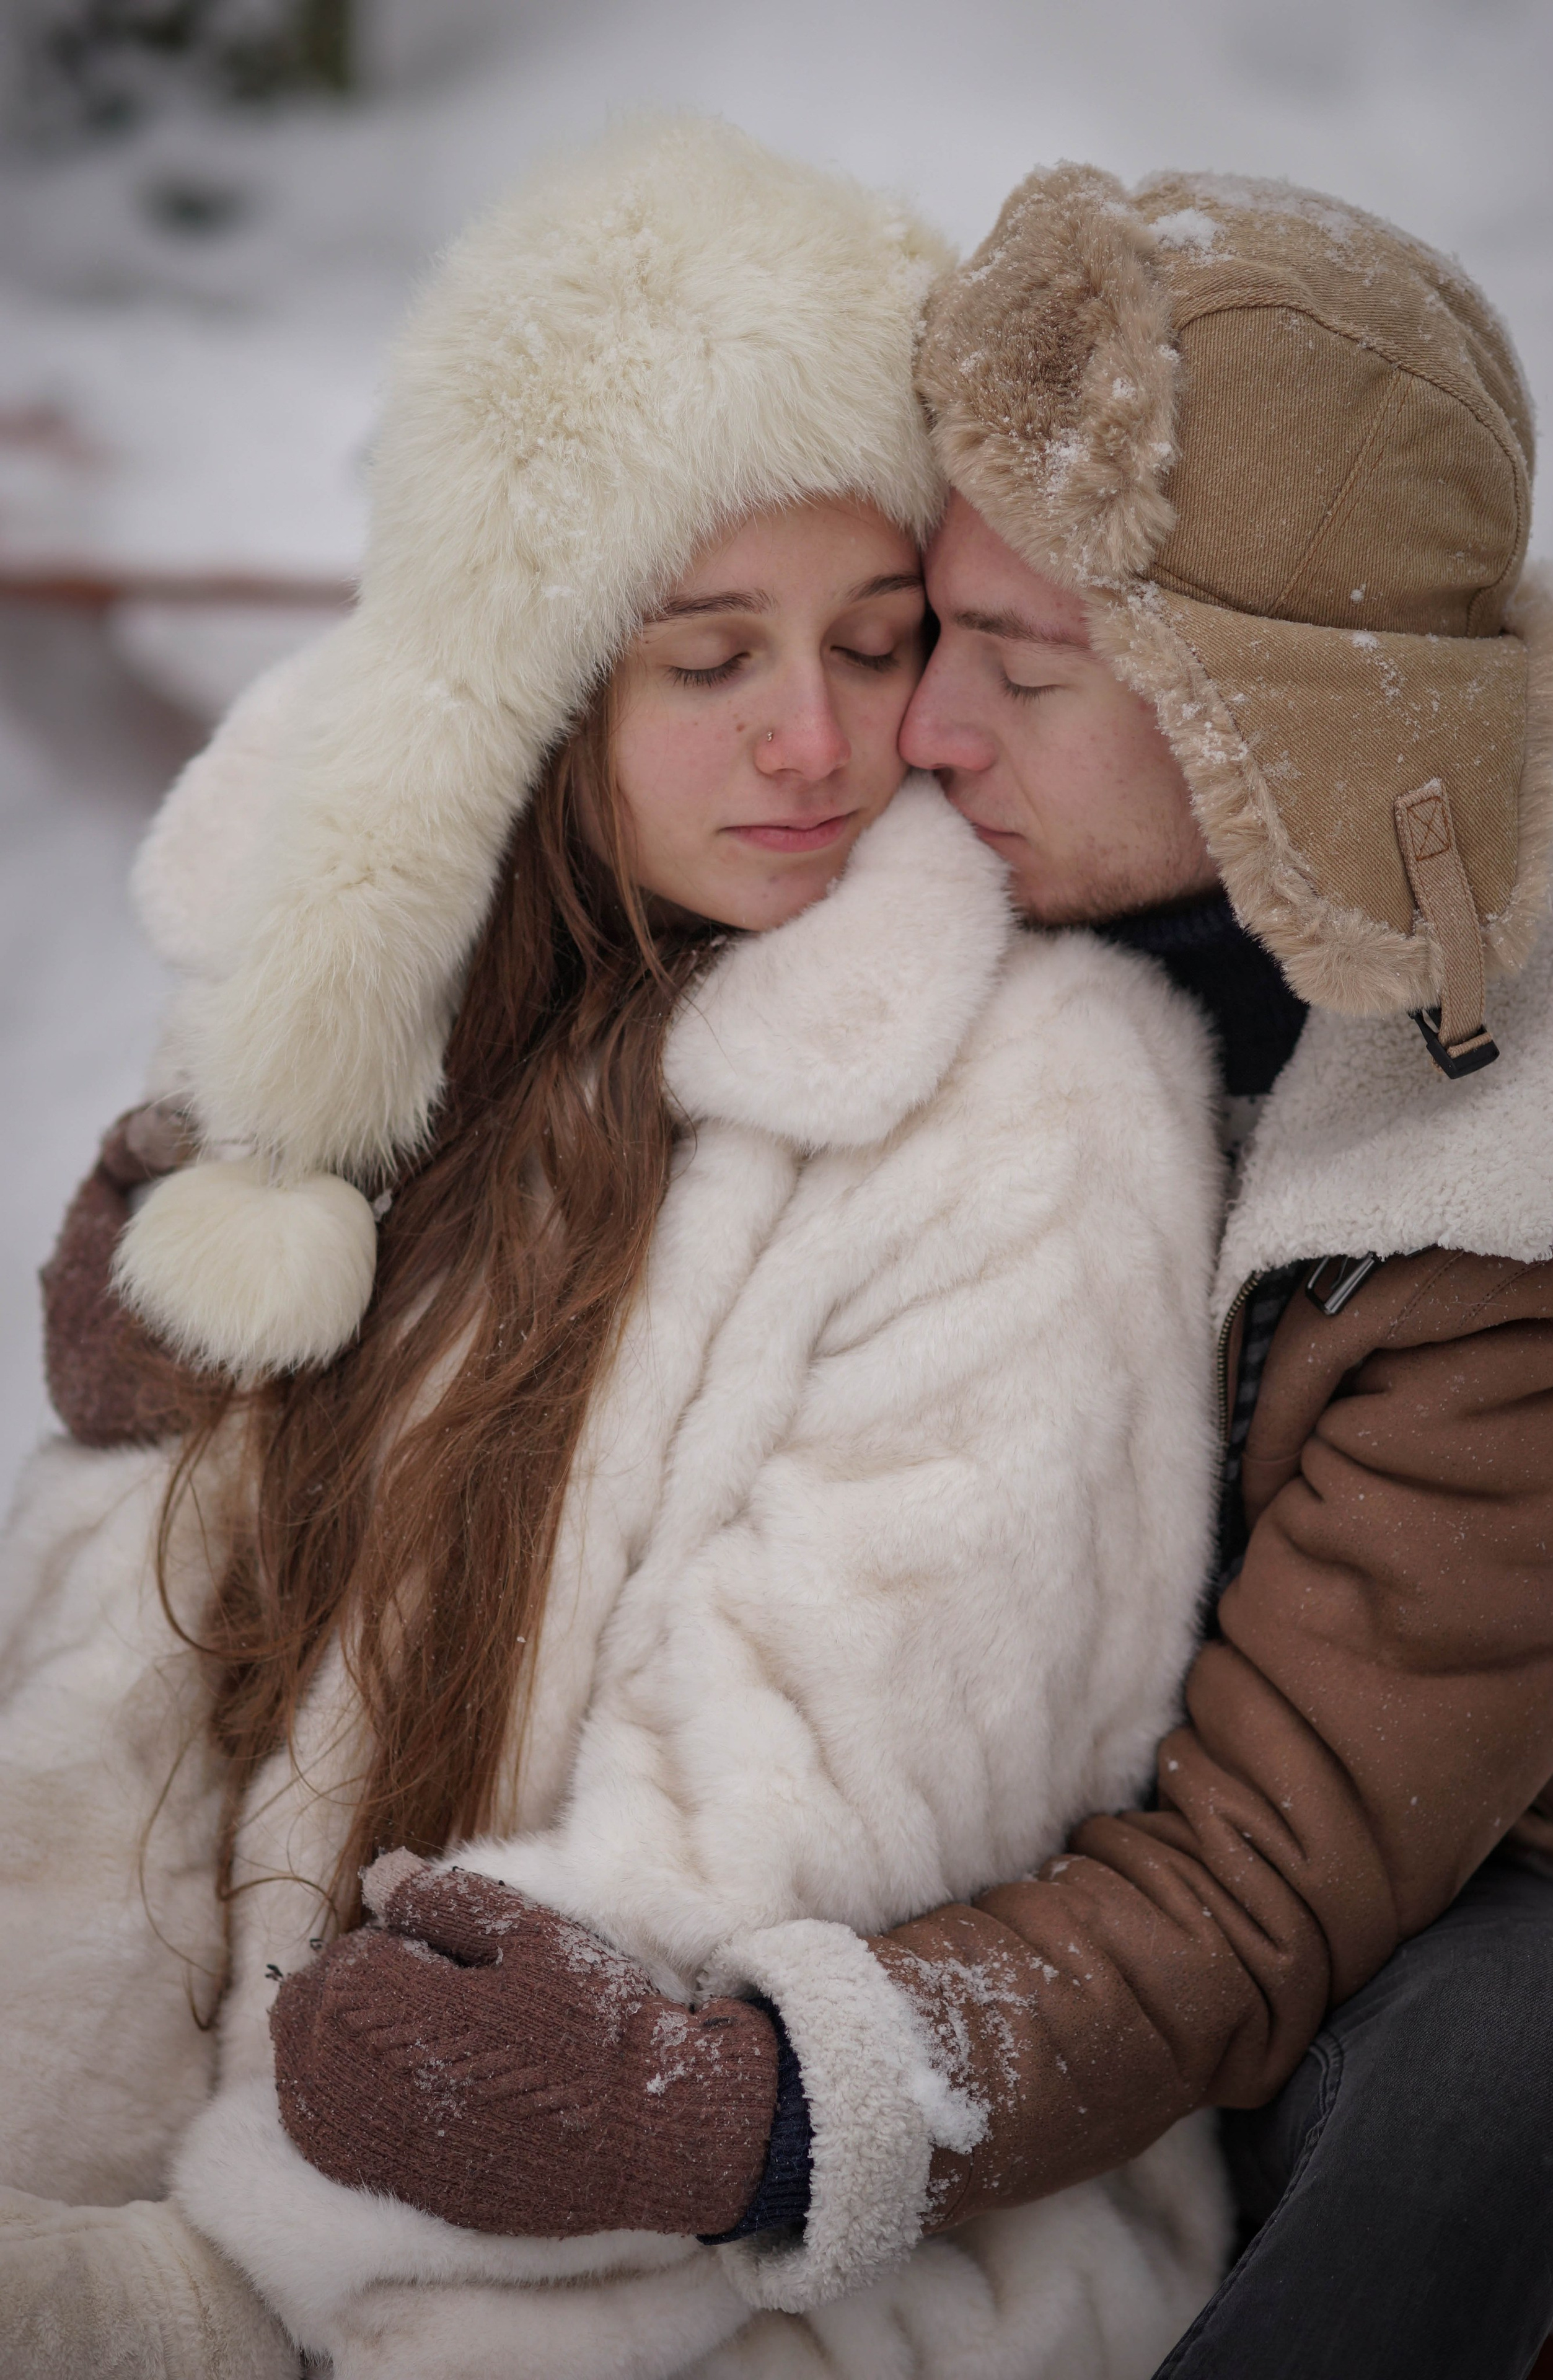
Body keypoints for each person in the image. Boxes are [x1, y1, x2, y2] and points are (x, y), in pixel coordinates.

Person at [242, 169, 1553, 2380]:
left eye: (1017, 669)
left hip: (1354, 1907)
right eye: (924, 633)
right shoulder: (1030, 813)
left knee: (1512, 2048)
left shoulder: (1508, 1223)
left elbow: (1265, 1880)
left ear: (1275, 736)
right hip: (992, 1777)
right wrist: (255, 1149)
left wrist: (744, 2110)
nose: (910, 733)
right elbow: (548, 796)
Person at [0, 122, 1236, 2378]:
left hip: (696, 2268)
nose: (819, 742)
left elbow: (788, 1831)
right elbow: (121, 1718)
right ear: (543, 689)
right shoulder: (388, 1056)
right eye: (708, 661)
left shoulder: (1030, 1107)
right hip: (250, 2147)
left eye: (880, 645)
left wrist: (220, 2293)